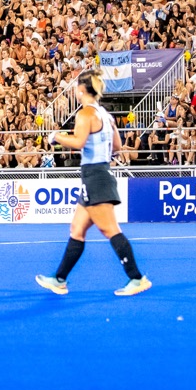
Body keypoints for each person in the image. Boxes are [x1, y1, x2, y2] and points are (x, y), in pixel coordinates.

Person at [36, 71, 151, 296]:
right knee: (77, 230)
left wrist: (56, 137)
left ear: (81, 90)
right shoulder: (105, 114)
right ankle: (59, 279)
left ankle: (137, 278)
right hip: (97, 175)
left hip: (95, 176)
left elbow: (78, 142)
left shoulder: (85, 114)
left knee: (110, 230)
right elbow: (117, 145)